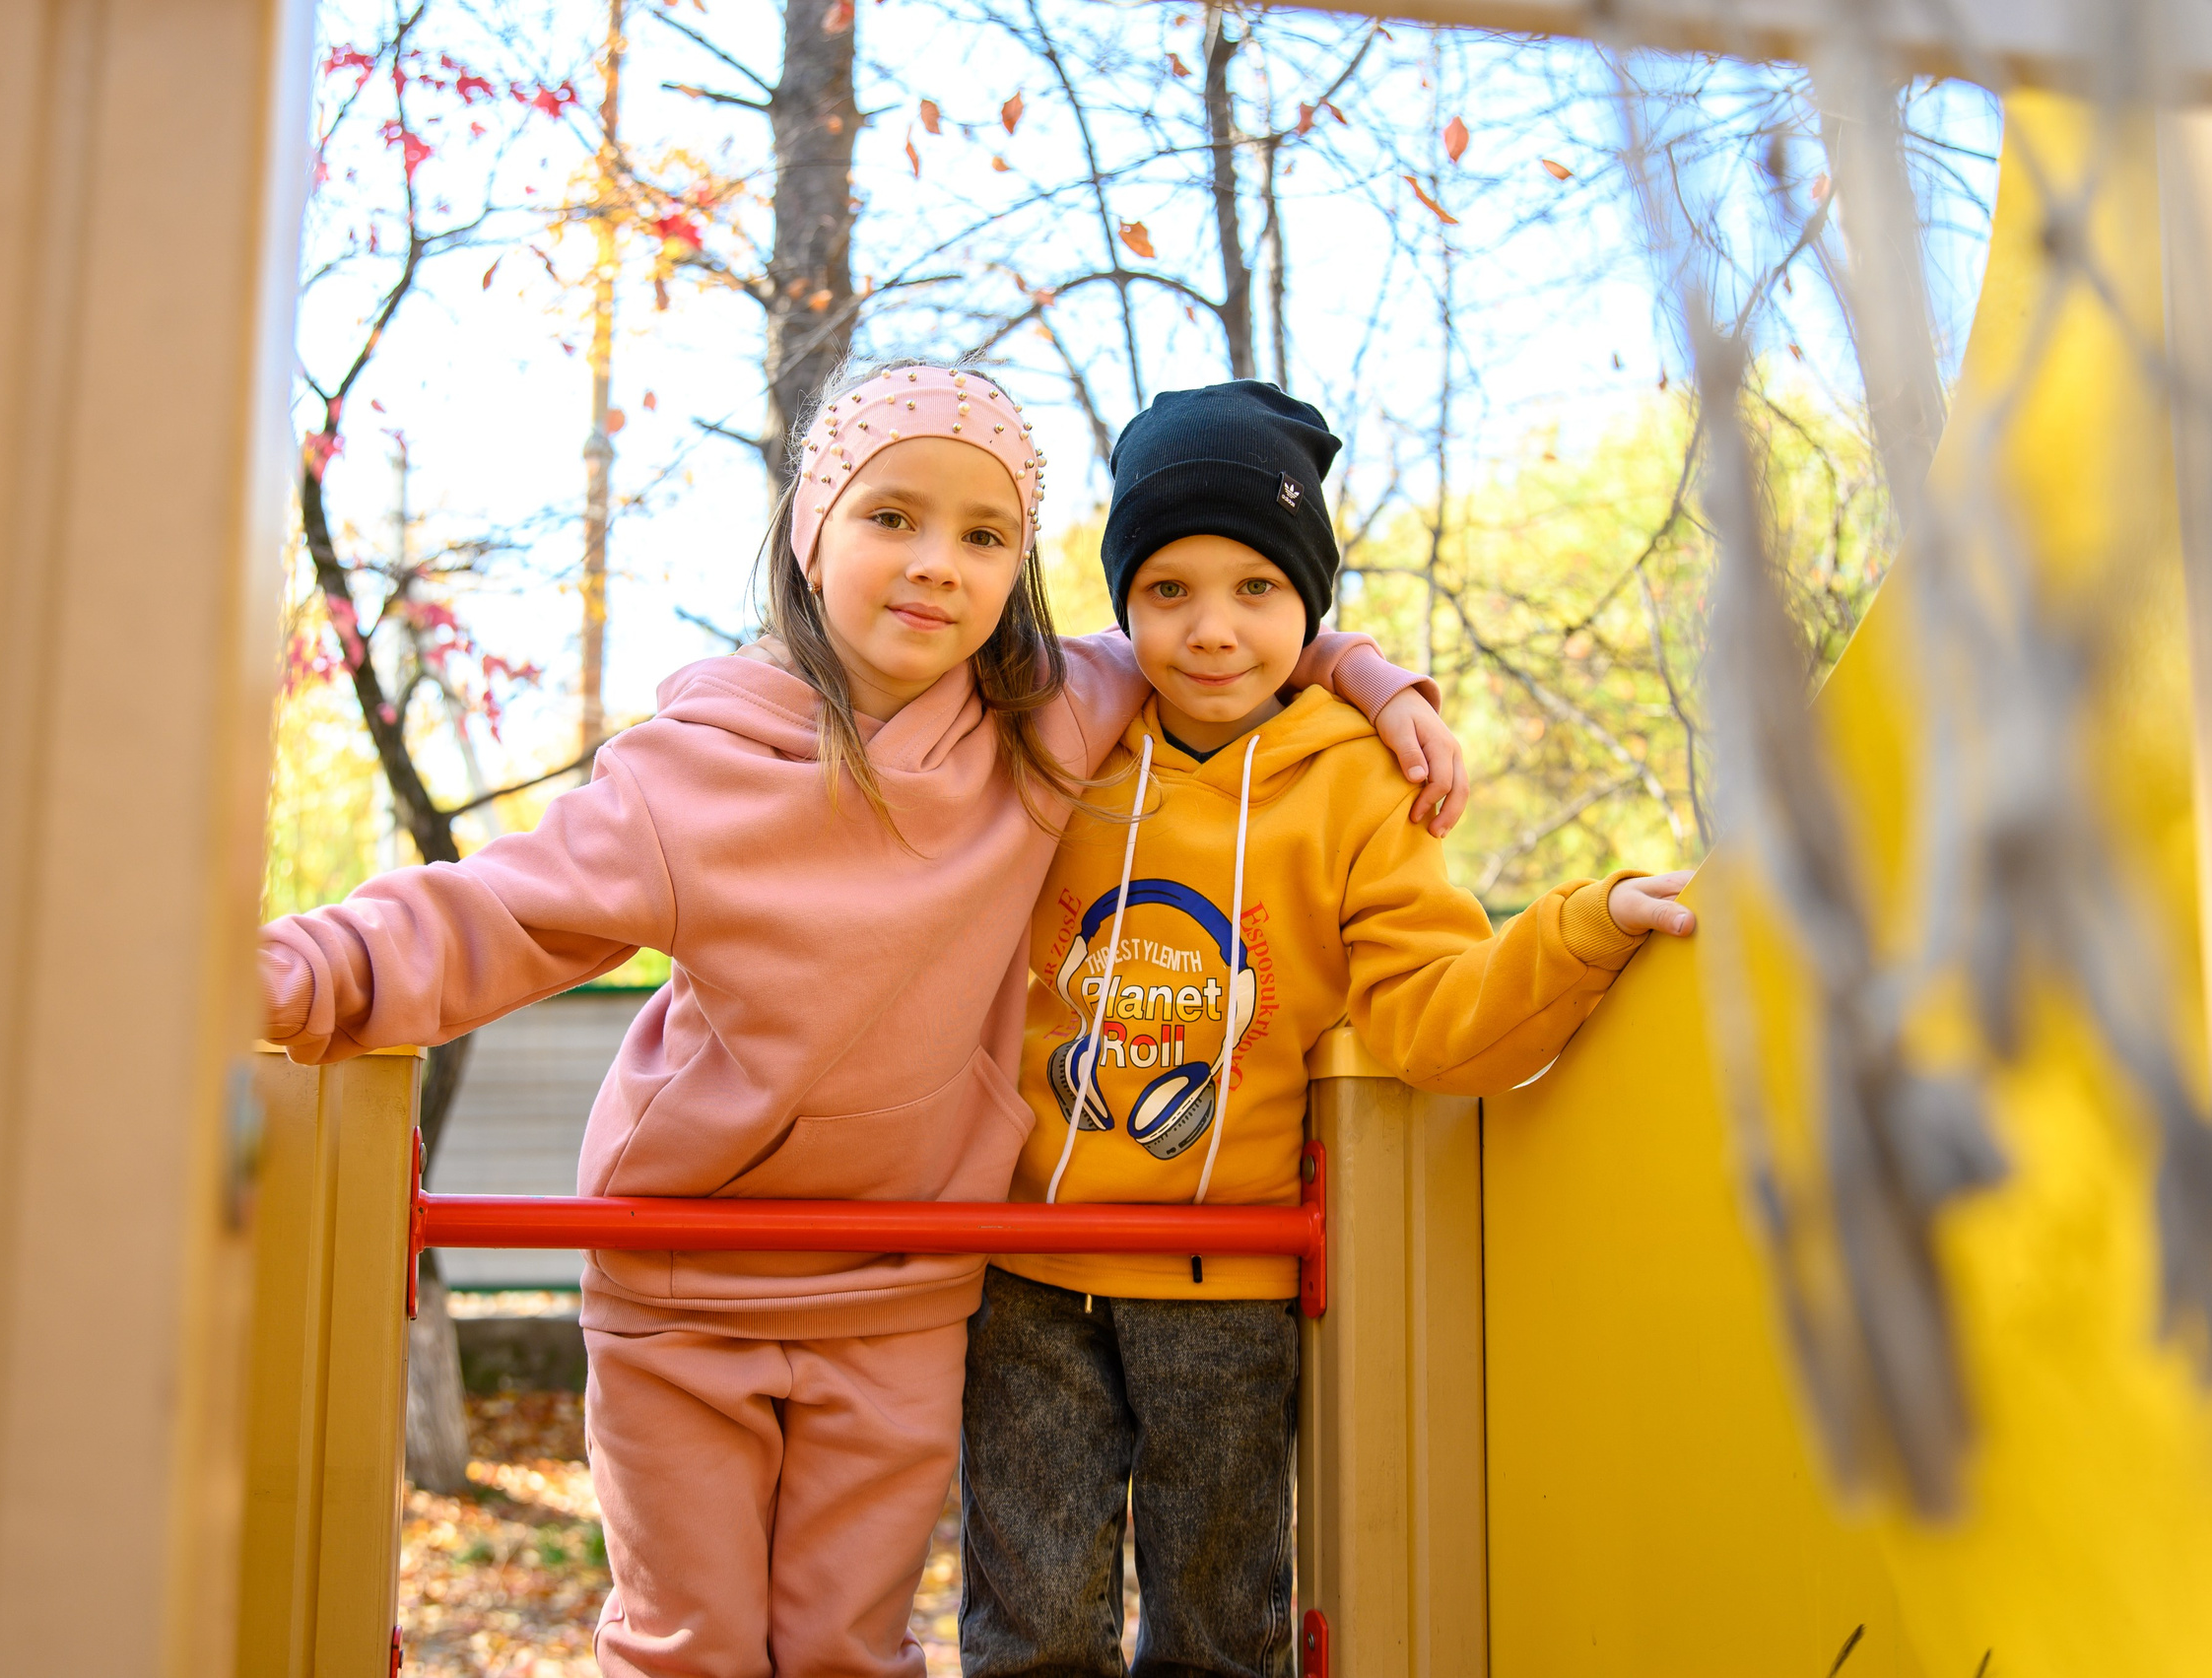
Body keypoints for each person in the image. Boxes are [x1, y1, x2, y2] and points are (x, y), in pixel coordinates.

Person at [256, 360, 1463, 1678]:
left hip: (899, 1283)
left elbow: (1230, 629)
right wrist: (275, 975)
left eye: (985, 535)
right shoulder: (688, 781)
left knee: (847, 1648)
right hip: (686, 1279)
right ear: (809, 529)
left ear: (1019, 574)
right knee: (688, 1650)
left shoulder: (1042, 726)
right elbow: (484, 917)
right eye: (892, 516)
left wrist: (1371, 673)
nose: (937, 563)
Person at [959, 381, 1696, 1678]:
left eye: (1255, 588)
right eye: (1168, 589)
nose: (1211, 629)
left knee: (1223, 1637)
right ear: (1123, 602)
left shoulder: (1359, 781)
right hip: (1027, 1274)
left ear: (1309, 604)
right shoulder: (1054, 736)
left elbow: (1433, 1018)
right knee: (1030, 1637)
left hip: (1227, 1281)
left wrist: (1584, 928)